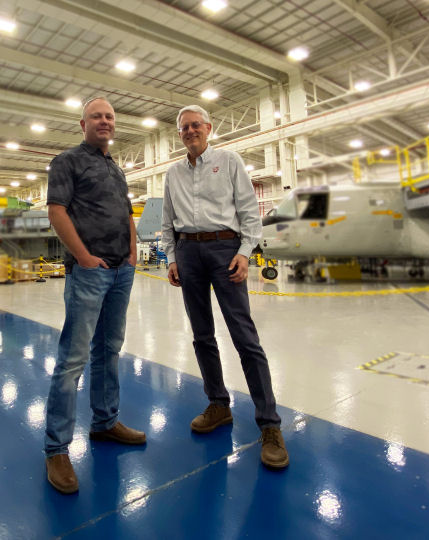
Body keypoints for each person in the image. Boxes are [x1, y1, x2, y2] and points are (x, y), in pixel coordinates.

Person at [161, 104, 289, 469]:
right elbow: (168, 221)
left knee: (244, 337)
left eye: (195, 125)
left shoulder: (230, 161)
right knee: (202, 335)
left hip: (225, 249)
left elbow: (249, 212)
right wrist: (172, 258)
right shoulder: (173, 173)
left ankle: (269, 424)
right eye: (184, 128)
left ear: (209, 128)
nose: (189, 131)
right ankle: (218, 405)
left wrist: (246, 252)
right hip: (188, 253)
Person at [43, 97, 145, 494]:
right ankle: (56, 449)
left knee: (109, 350)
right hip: (90, 272)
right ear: (82, 123)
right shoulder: (67, 161)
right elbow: (57, 211)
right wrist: (83, 256)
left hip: (122, 271)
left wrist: (134, 251)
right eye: (97, 116)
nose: (104, 121)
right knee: (73, 358)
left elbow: (127, 212)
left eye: (110, 117)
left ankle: (104, 422)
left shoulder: (114, 167)